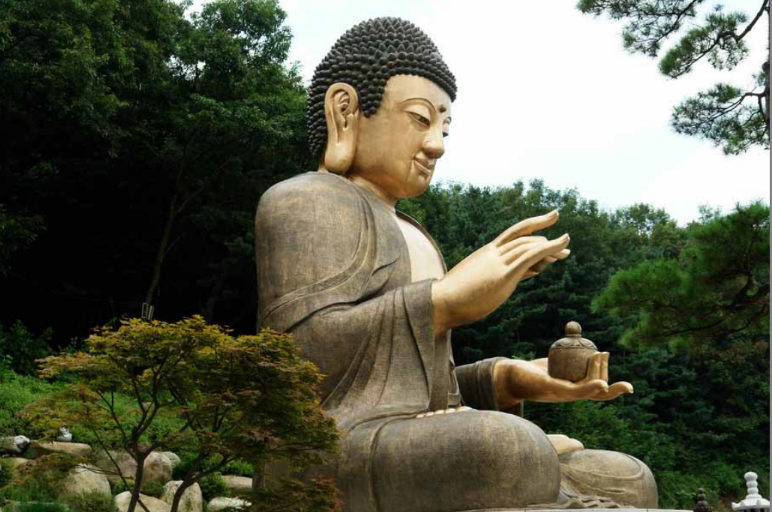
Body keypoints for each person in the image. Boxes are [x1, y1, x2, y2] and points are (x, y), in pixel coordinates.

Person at [256, 17, 657, 512]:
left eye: (444, 128)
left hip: (408, 442)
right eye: (420, 119)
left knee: (628, 476)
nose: (437, 145)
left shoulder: (416, 232)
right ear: (345, 111)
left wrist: (505, 378)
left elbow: (431, 392)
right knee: (510, 448)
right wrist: (442, 303)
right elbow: (302, 363)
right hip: (325, 448)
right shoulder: (303, 200)